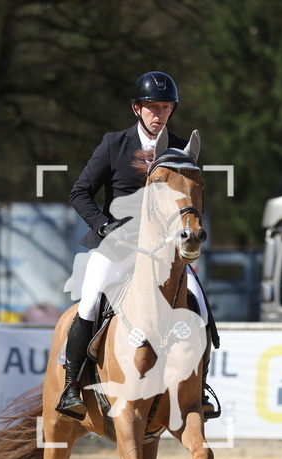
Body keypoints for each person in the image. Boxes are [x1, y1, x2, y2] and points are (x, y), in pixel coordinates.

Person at [59, 70, 219, 422]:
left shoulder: (180, 151)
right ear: (137, 109)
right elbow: (79, 192)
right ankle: (71, 385)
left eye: (165, 107)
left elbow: (189, 199)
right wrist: (103, 225)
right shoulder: (114, 144)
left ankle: (201, 387)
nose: (158, 114)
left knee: (201, 306)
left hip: (164, 254)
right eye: (151, 107)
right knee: (89, 300)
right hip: (117, 245)